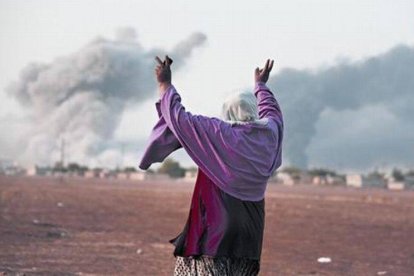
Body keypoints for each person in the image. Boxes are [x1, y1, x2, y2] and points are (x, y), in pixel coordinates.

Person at [139, 55, 283, 275]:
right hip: (251, 234)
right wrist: (261, 86)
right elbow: (272, 111)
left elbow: (179, 118)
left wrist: (165, 84)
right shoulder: (269, 134)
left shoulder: (218, 133)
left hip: (216, 231)